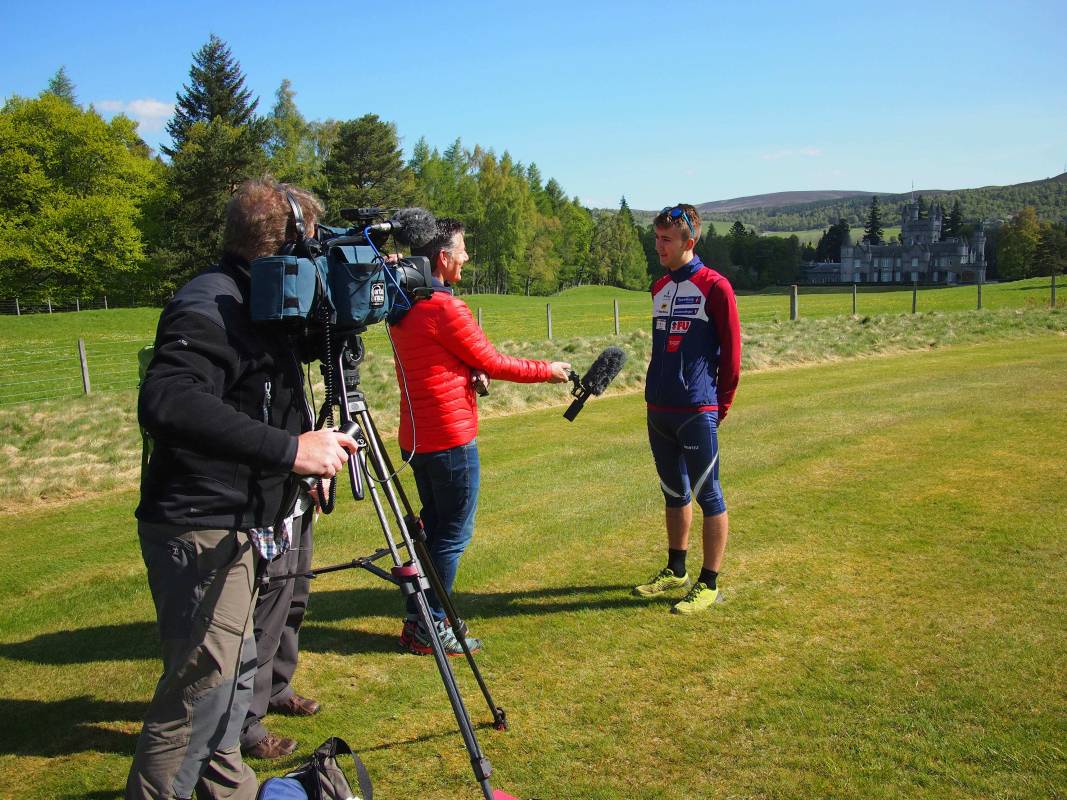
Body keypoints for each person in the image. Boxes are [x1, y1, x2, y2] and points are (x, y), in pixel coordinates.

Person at [129, 178, 357, 799]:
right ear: (281, 247)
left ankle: (228, 790)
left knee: (231, 677)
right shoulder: (211, 302)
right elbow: (169, 400)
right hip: (201, 524)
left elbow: (259, 398)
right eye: (309, 250)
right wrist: (290, 451)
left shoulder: (258, 304)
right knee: (197, 694)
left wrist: (299, 462)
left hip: (243, 516)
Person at [387, 218, 571, 654]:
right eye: (462, 250)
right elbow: (495, 360)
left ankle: (424, 620)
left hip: (415, 438)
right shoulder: (445, 308)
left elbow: (437, 360)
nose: (467, 258)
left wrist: (467, 373)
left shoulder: (401, 307)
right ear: (443, 259)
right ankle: (430, 624)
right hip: (449, 439)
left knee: (432, 532)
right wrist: (548, 370)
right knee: (450, 537)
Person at [633, 204, 741, 614]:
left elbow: (731, 356)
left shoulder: (716, 287)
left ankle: (708, 582)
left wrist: (720, 406)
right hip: (658, 408)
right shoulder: (659, 286)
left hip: (697, 408)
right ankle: (675, 570)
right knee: (672, 492)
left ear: (689, 242)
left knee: (707, 495)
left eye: (666, 240)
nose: (657, 245)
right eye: (656, 238)